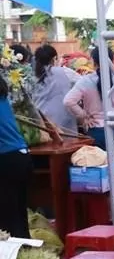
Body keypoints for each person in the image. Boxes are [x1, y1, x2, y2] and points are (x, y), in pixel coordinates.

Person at [63, 45, 114, 155]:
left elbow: (68, 101)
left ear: (94, 62)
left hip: (97, 132)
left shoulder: (86, 81)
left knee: (100, 169)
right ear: (113, 60)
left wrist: (84, 115)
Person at [0, 71, 32, 238]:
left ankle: (13, 256)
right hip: (21, 156)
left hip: (6, 159)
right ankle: (25, 248)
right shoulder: (3, 98)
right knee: (19, 212)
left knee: (6, 216)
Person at [30, 44, 77, 136]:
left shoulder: (31, 76)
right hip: (64, 123)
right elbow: (83, 83)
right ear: (53, 59)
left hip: (41, 122)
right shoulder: (64, 72)